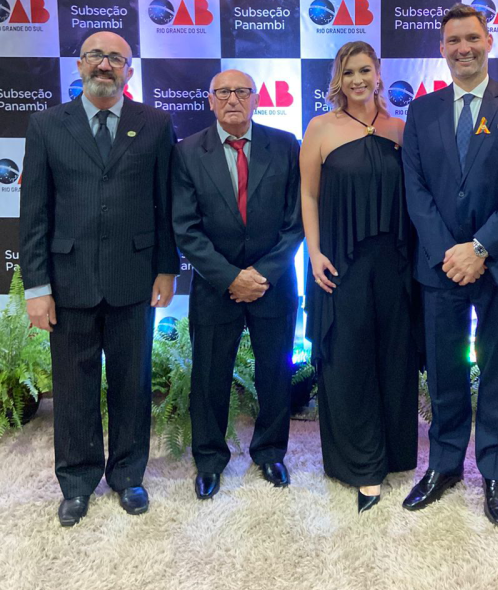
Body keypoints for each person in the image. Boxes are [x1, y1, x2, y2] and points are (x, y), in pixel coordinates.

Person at [20, 31, 178, 527]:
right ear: (80, 65)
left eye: (115, 58)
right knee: (73, 387)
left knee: (132, 382)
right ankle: (76, 481)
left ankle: (128, 475)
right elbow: (34, 212)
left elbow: (165, 203)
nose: (104, 65)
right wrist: (37, 288)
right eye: (95, 56)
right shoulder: (46, 124)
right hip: (69, 281)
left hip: (134, 277)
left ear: (129, 69)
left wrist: (167, 268)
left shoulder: (154, 123)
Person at [401, 4, 498, 525]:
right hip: (441, 266)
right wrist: (451, 252)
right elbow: (416, 191)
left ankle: (496, 472)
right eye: (453, 40)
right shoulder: (421, 111)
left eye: (472, 38)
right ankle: (444, 465)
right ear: (441, 49)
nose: (463, 48)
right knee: (444, 371)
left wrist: (479, 248)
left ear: (489, 42)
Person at [171, 69, 302, 500]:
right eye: (223, 92)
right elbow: (186, 228)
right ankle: (209, 459)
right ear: (210, 101)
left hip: (273, 284)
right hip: (215, 286)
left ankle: (270, 452)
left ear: (256, 99)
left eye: (242, 92)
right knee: (209, 376)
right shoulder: (187, 151)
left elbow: (296, 220)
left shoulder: (285, 145)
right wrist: (231, 277)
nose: (233, 99)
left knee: (275, 372)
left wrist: (260, 275)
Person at [301, 42, 419, 513]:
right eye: (348, 72)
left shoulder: (400, 129)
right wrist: (313, 253)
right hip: (340, 264)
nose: (357, 80)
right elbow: (309, 196)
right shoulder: (320, 128)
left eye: (364, 70)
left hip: (395, 264)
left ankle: (393, 454)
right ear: (338, 78)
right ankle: (362, 465)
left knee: (394, 357)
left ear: (378, 74)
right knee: (348, 360)